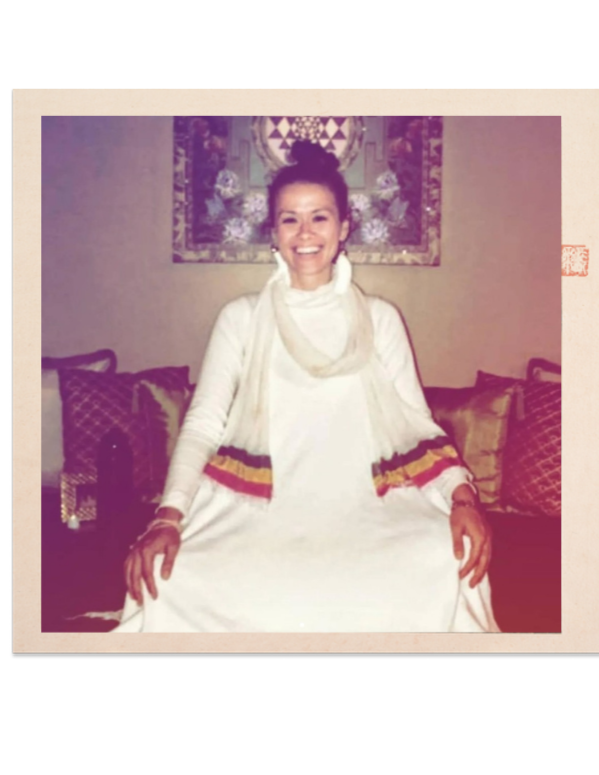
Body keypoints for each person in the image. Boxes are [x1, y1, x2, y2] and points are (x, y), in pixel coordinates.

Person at [114, 140, 499, 633]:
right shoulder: (241, 318)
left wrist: (463, 497)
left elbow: (416, 424)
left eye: (319, 217)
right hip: (256, 506)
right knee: (171, 578)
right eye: (289, 219)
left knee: (445, 559)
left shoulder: (380, 319)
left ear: (343, 229)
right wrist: (167, 518)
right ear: (272, 233)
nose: (305, 233)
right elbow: (204, 424)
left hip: (370, 504)